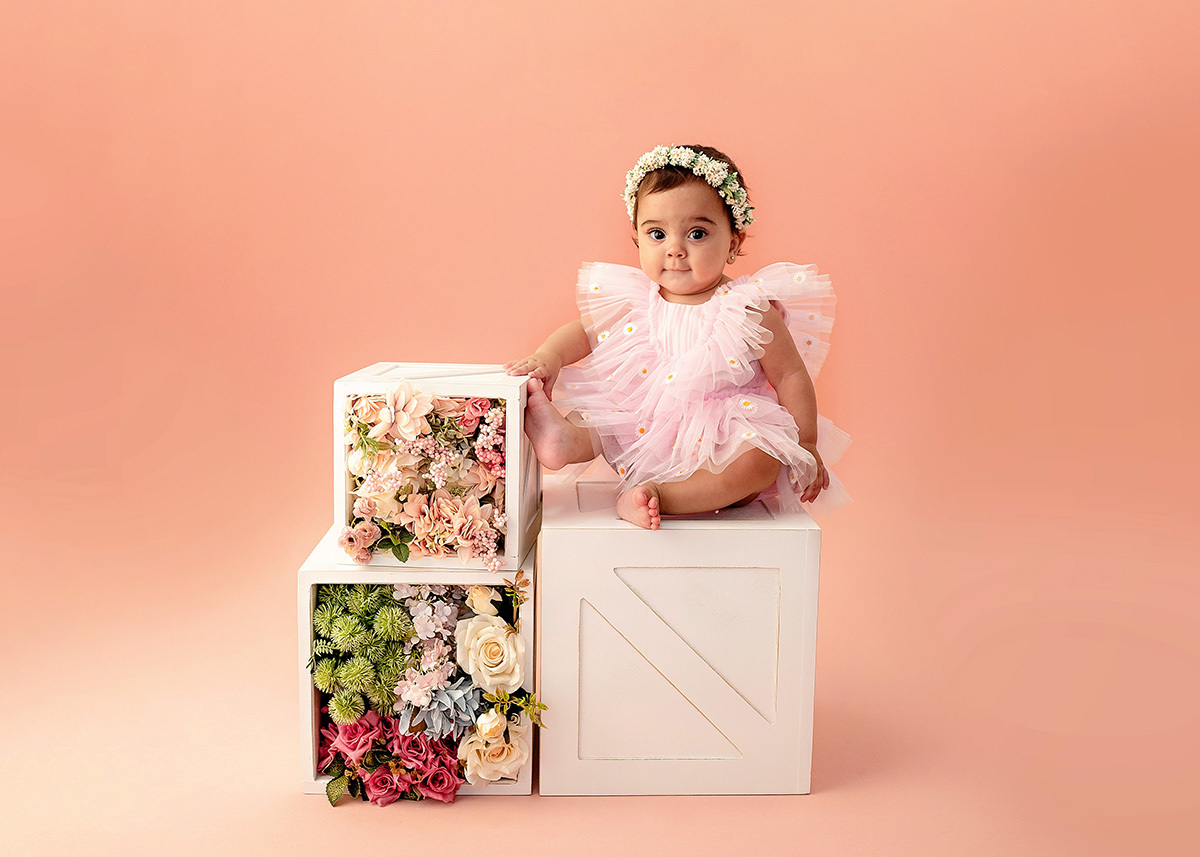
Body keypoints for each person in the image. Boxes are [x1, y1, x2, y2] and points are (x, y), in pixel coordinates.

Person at [505, 144, 849, 529]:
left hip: (721, 434)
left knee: (762, 460)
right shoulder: (638, 302)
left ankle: (659, 496)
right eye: (656, 234)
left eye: (697, 233)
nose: (675, 250)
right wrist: (548, 356)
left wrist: (805, 443)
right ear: (637, 238)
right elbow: (584, 332)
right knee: (602, 417)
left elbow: (789, 375)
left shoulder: (747, 308)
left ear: (733, 243)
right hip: (642, 427)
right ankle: (563, 441)